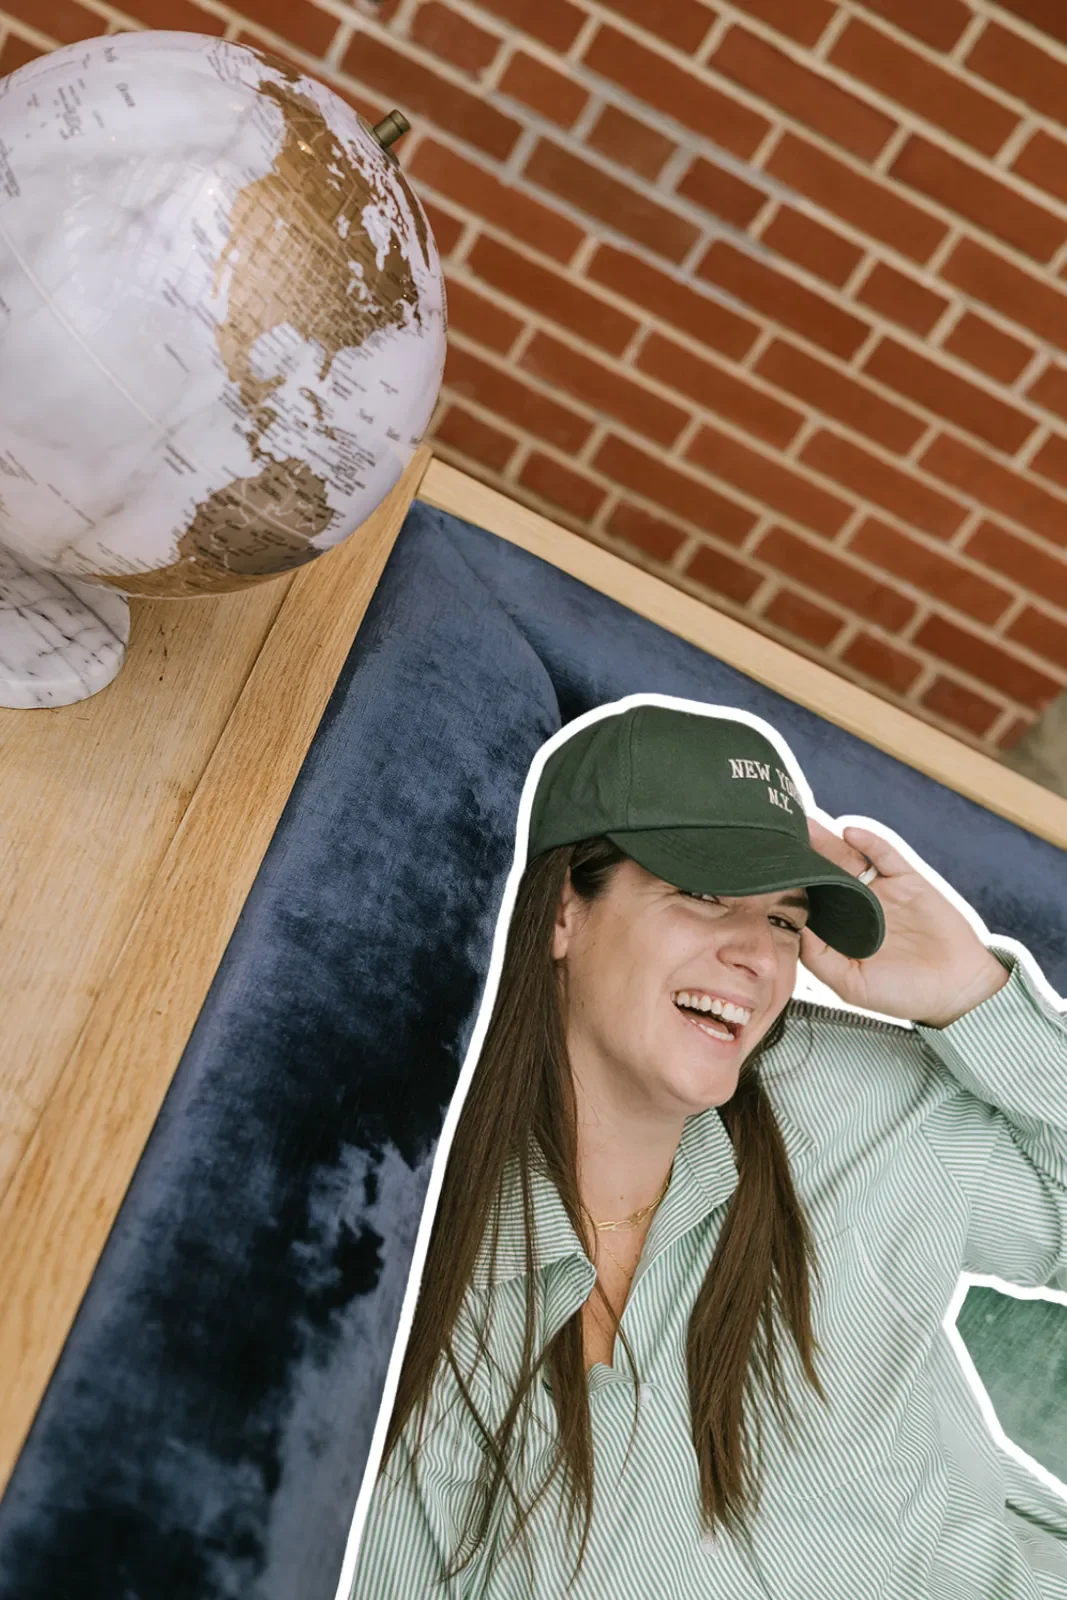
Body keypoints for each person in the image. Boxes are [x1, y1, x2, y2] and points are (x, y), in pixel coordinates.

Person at [348, 702, 1067, 1599]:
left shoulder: (850, 1102)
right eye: (703, 895)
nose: (756, 957)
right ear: (563, 910)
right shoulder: (419, 1279)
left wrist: (971, 993)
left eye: (784, 921)